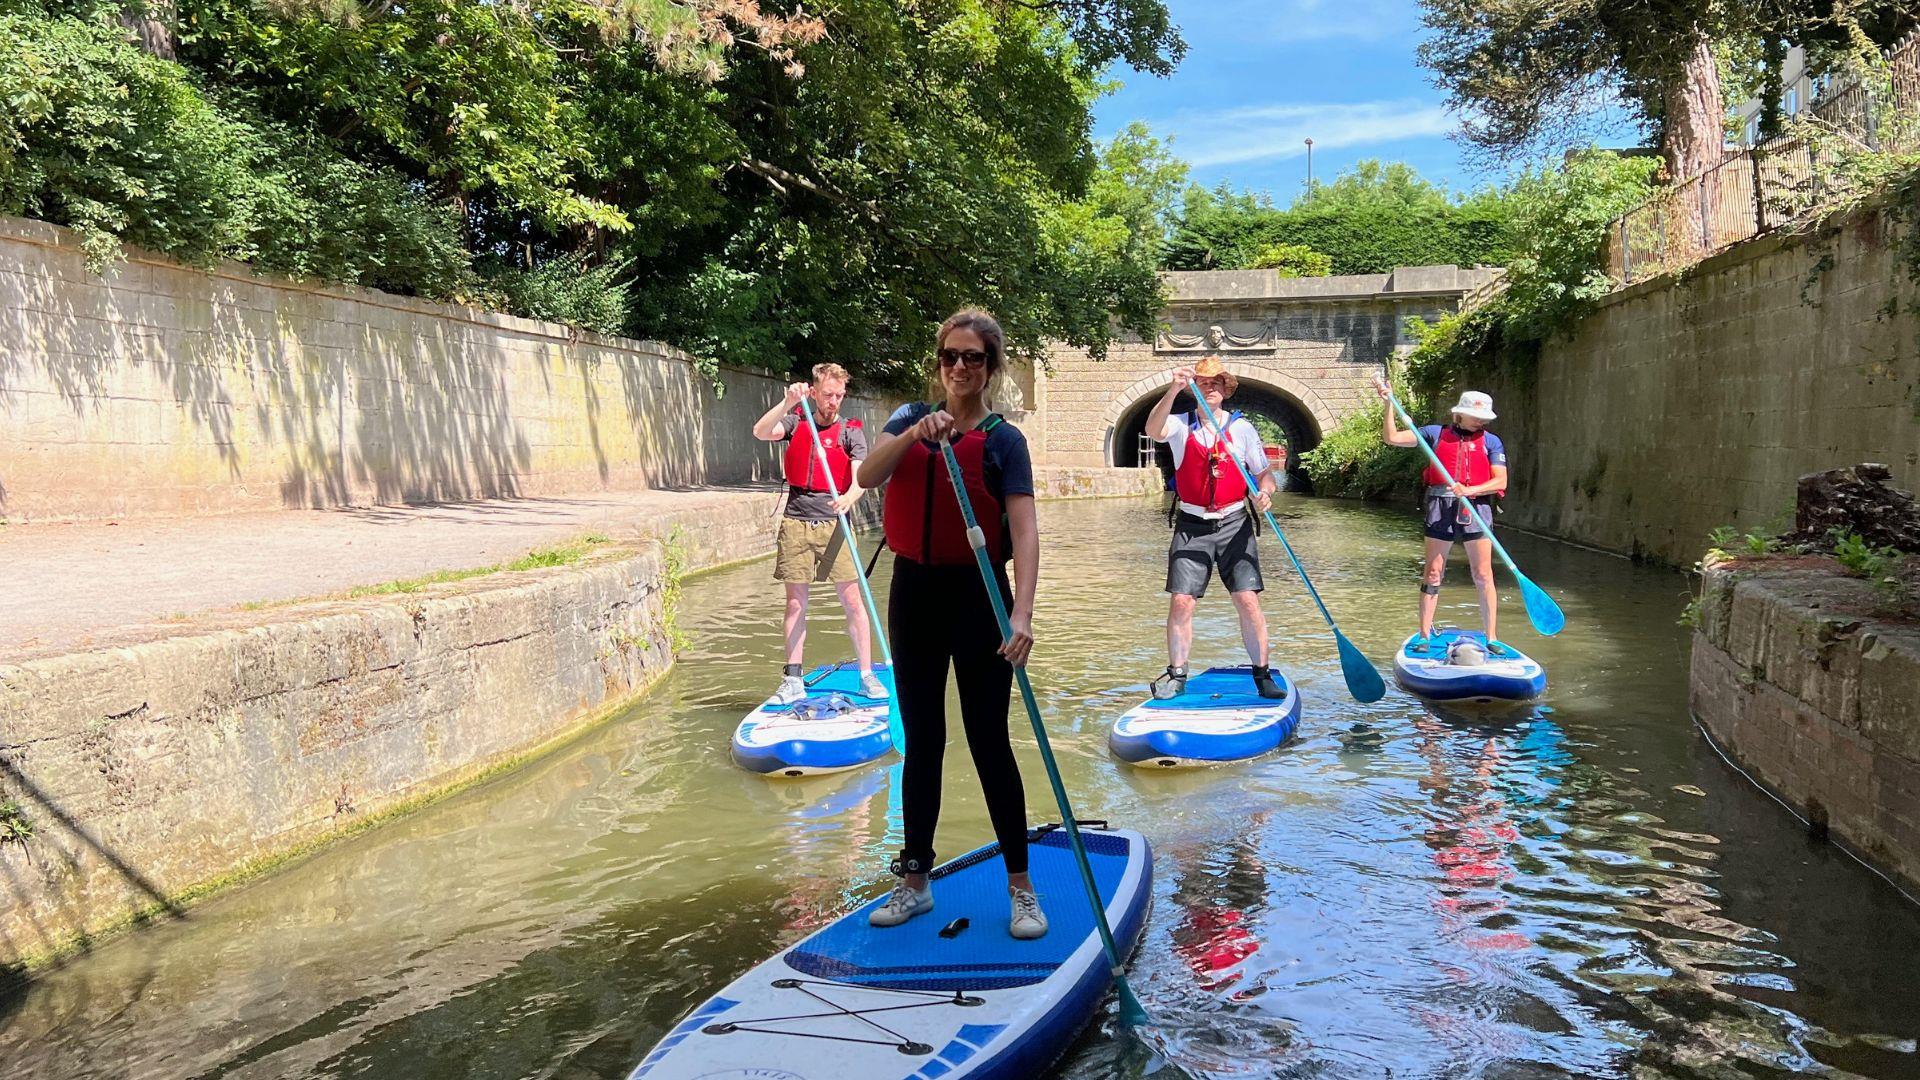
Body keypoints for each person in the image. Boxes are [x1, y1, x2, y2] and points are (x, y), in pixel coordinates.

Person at [855, 309, 1047, 941]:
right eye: (949, 356)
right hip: (914, 592)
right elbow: (865, 476)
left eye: (972, 357)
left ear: (990, 367)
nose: (959, 367)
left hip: (981, 594)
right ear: (938, 362)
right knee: (924, 740)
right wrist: (914, 435)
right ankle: (915, 881)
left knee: (988, 739)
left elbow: (1023, 529)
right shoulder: (909, 420)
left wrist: (1021, 610)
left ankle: (1021, 889)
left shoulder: (1003, 440)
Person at [1145, 356, 1285, 700]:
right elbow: (1152, 430)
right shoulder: (1180, 424)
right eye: (1204, 383)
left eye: (1217, 384)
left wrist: (1265, 493)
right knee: (1181, 601)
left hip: (1235, 522)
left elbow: (1264, 475)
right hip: (1192, 524)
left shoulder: (1243, 429)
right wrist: (1173, 388)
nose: (1211, 388)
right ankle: (1176, 674)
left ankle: (1262, 674)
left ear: (1225, 391)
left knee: (1247, 600)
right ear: (1195, 389)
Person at [750, 362, 884, 704]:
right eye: (828, 395)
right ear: (814, 392)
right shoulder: (797, 422)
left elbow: (860, 480)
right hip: (796, 519)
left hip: (835, 522)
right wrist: (788, 403)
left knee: (853, 601)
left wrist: (849, 498)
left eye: (839, 395)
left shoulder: (851, 431)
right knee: (795, 602)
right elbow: (761, 431)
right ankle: (793, 678)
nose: (834, 401)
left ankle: (867, 675)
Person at [1371, 376, 1510, 650]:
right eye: (1474, 416)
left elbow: (1500, 482)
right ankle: (1424, 635)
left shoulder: (1492, 442)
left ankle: (1492, 637)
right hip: (1440, 507)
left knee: (1483, 574)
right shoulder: (1434, 434)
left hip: (1477, 508)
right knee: (1433, 572)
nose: (1480, 422)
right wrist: (1389, 404)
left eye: (1484, 417)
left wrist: (1471, 491)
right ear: (1459, 414)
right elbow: (1392, 438)